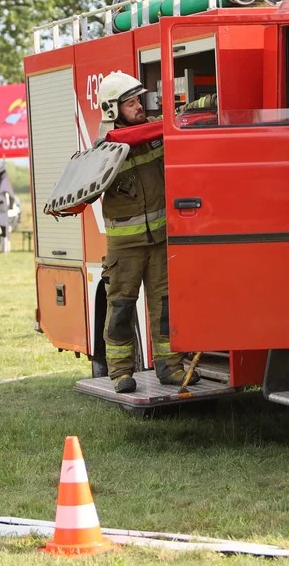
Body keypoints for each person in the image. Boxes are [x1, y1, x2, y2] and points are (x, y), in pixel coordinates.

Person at [95, 70, 214, 393]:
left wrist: (215, 101)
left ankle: (170, 367)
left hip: (160, 241)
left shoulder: (156, 132)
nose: (138, 106)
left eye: (137, 100)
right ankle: (120, 372)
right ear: (111, 110)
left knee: (165, 309)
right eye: (130, 103)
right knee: (120, 310)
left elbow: (184, 116)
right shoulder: (104, 148)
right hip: (125, 248)